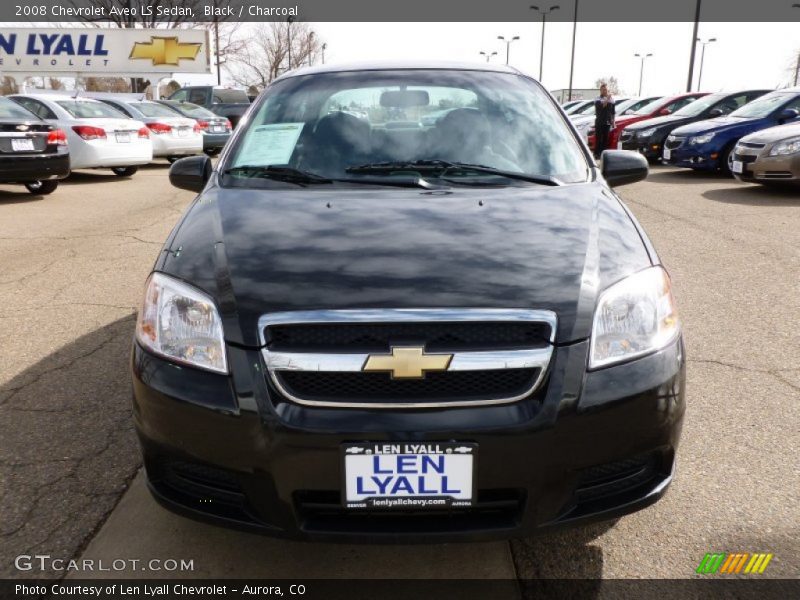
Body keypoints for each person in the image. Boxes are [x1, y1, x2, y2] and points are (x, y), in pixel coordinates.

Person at [594, 83, 616, 159]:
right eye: (603, 90)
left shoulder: (612, 100)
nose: (605, 91)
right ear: (600, 90)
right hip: (599, 122)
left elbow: (613, 112)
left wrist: (613, 122)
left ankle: (603, 155)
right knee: (598, 139)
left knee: (605, 140)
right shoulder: (597, 99)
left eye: (606, 90)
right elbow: (602, 106)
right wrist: (607, 99)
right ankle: (596, 154)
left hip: (607, 122)